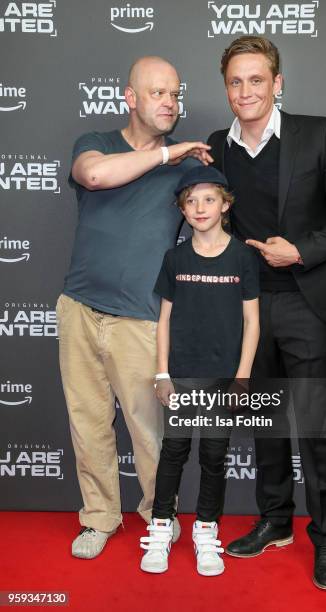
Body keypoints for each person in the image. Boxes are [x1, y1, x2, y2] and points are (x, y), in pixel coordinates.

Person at [207, 36, 326, 590]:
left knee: (316, 425)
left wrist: (300, 250)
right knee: (264, 424)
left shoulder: (320, 133)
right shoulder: (217, 147)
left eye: (257, 79)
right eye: (235, 81)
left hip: (307, 300)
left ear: (277, 84)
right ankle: (275, 521)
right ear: (225, 89)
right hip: (248, 309)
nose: (245, 90)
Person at [58, 55, 213, 559]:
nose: (170, 102)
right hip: (80, 308)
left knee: (150, 433)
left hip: (141, 320)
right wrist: (166, 156)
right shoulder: (97, 143)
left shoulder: (189, 168)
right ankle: (99, 518)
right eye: (158, 93)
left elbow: (212, 230)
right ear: (130, 97)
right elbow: (96, 177)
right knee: (88, 422)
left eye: (175, 93)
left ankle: (158, 517)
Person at [139, 165, 260, 576]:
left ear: (225, 205)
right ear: (182, 210)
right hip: (181, 375)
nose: (199, 207)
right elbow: (164, 320)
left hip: (223, 378)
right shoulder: (175, 258)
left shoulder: (243, 256)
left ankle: (205, 531)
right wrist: (161, 373)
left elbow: (252, 322)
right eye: (190, 201)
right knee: (173, 451)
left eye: (209, 199)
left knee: (213, 454)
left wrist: (242, 376)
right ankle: (161, 528)